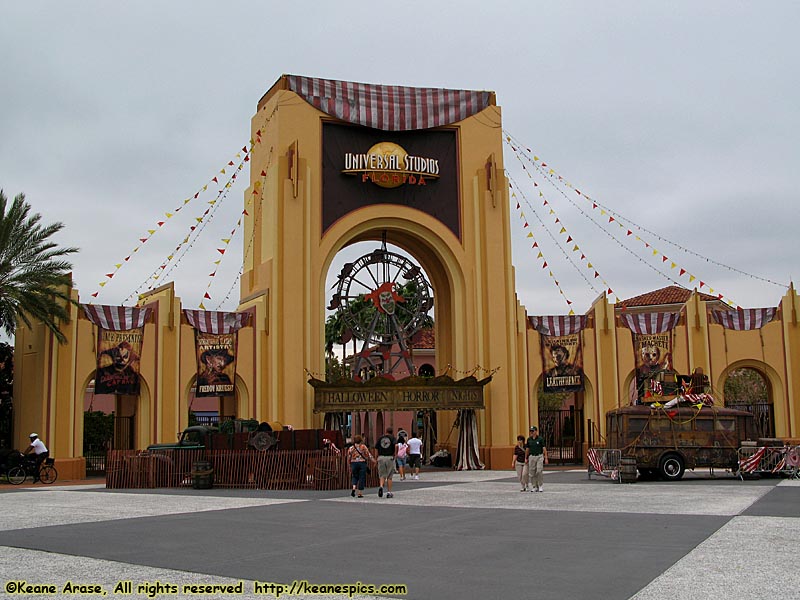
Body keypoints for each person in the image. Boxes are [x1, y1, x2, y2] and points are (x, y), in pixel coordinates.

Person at [525, 426, 548, 492]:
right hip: (532, 456)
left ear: (536, 431)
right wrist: (526, 458)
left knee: (539, 471)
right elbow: (527, 449)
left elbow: (544, 448)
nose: (531, 432)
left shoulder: (540, 439)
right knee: (532, 472)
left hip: (539, 456)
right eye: (531, 431)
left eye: (533, 431)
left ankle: (540, 485)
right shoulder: (529, 439)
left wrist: (546, 458)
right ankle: (534, 486)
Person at [375, 427, 397, 498]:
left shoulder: (380, 438)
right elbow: (396, 446)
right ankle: (389, 492)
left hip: (381, 457)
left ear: (386, 431)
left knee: (382, 475)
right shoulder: (393, 438)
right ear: (392, 432)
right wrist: (395, 454)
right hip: (389, 457)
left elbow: (376, 448)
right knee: (389, 476)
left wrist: (377, 457)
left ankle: (381, 486)